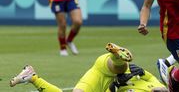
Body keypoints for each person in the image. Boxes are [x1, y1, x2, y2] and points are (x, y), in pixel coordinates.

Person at [10, 43, 168, 92]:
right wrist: (143, 72)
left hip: (109, 84)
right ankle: (116, 56)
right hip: (111, 71)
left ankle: (32, 77)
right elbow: (154, 82)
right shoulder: (156, 88)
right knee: (119, 68)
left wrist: (115, 86)